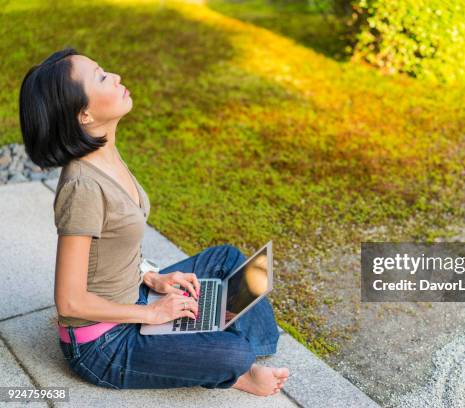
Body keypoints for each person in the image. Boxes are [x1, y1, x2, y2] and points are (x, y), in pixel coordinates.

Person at [18, 47, 289, 395]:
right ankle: (235, 362)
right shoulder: (82, 186)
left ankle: (225, 340)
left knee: (228, 259)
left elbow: (112, 248)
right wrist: (154, 315)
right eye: (101, 77)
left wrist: (153, 277)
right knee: (235, 353)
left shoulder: (105, 152)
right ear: (83, 114)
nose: (115, 76)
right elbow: (70, 302)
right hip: (103, 343)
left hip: (133, 298)